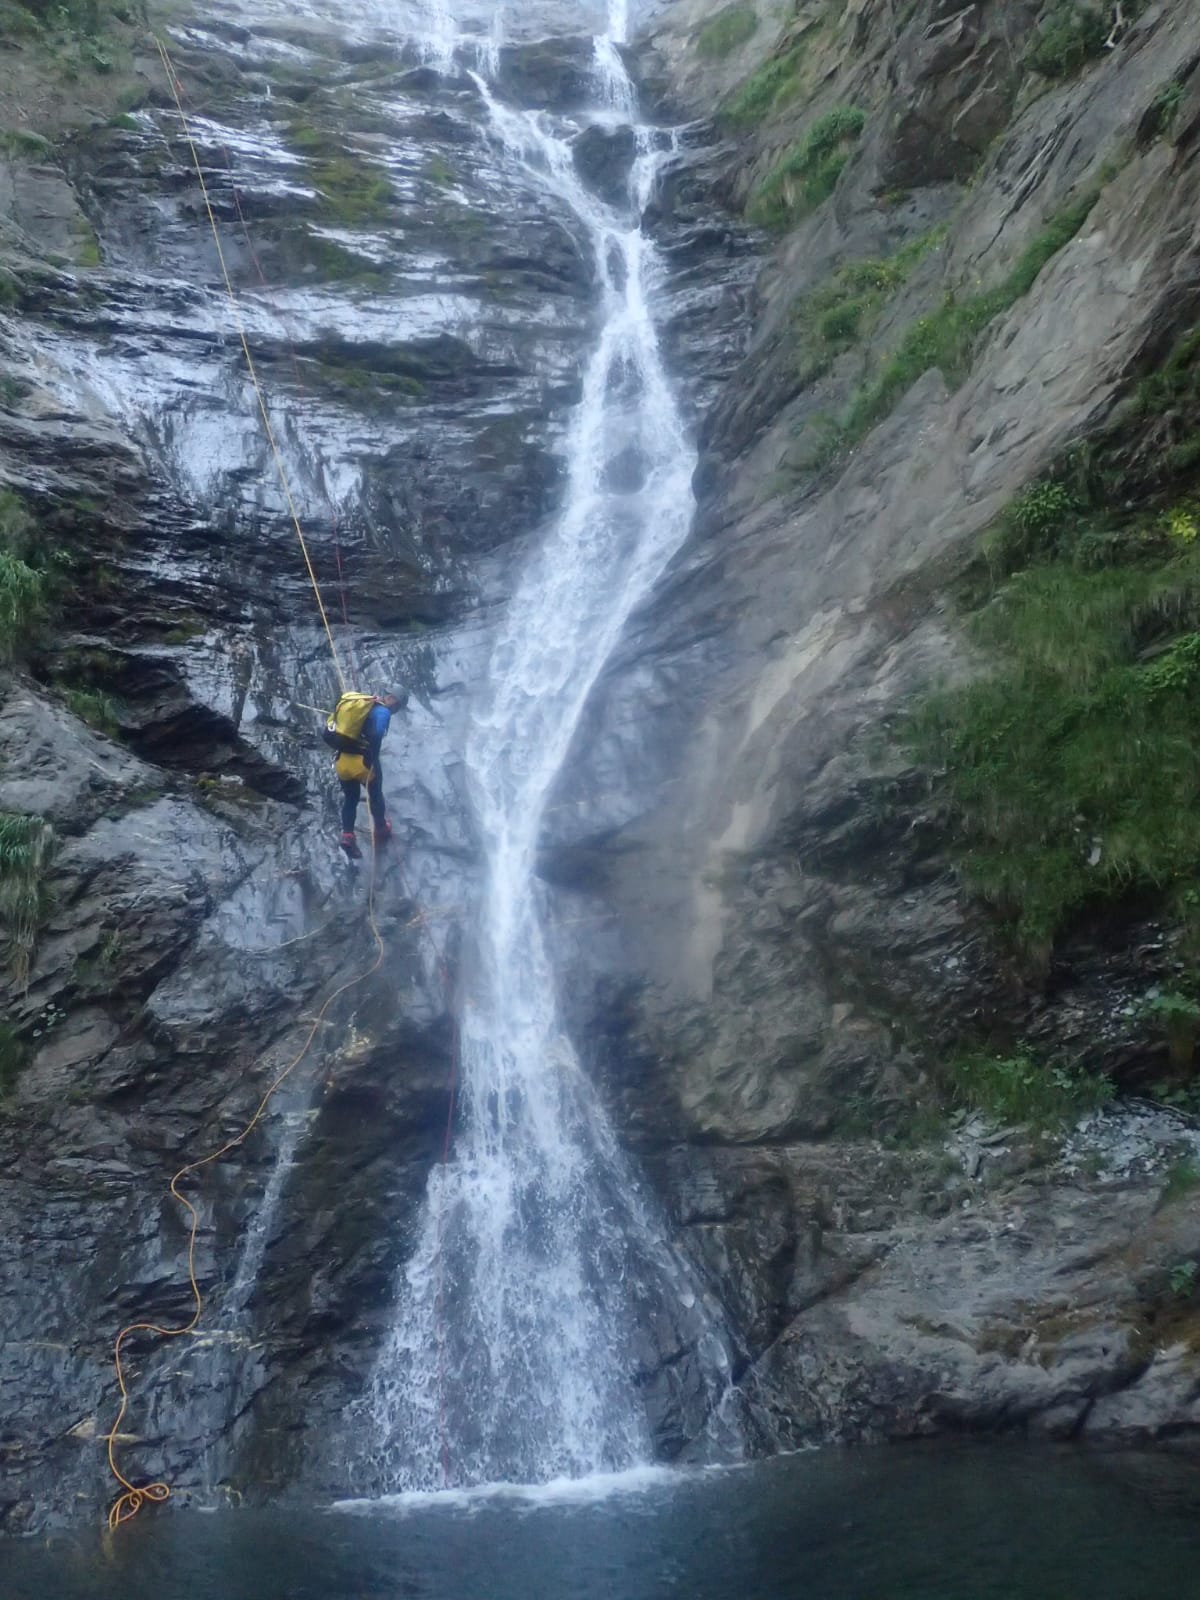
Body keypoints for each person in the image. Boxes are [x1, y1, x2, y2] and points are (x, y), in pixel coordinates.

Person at [336, 690, 405, 860]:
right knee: (375, 794)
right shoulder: (383, 712)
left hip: (342, 761)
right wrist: (368, 748)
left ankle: (348, 836)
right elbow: (376, 733)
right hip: (363, 765)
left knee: (350, 799)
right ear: (394, 701)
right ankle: (381, 828)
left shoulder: (363, 704)